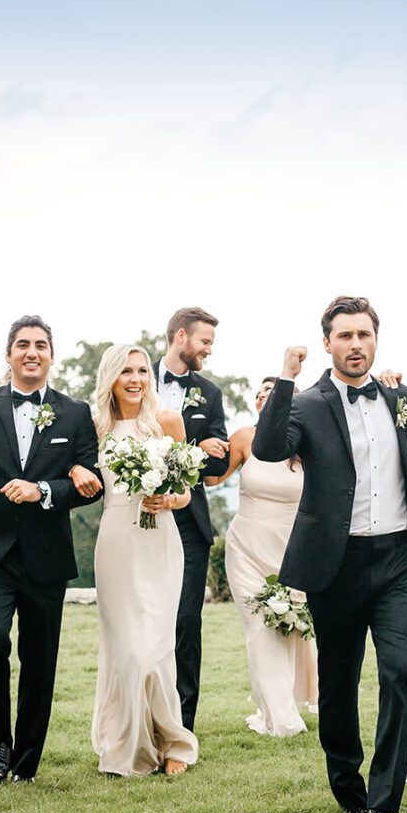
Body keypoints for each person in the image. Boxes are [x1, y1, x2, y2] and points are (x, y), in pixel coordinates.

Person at [252, 297, 407, 813]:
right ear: (327, 342)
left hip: (401, 558)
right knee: (338, 681)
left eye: (364, 335)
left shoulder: (401, 398)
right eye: (345, 336)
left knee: (400, 671)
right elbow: (265, 448)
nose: (356, 344)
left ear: (376, 340)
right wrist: (286, 378)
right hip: (338, 562)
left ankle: (384, 800)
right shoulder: (306, 404)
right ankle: (346, 783)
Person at [0, 315, 102, 784]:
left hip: (45, 557)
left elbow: (90, 485)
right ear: (8, 354)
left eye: (40, 345)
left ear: (52, 356)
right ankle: (0, 742)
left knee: (40, 660)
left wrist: (44, 491)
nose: (31, 352)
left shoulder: (75, 413)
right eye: (22, 345)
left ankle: (27, 760)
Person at [87, 344, 197, 776]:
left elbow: (187, 490)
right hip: (116, 541)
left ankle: (174, 741)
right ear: (110, 378)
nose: (136, 379)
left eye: (142, 371)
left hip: (160, 541)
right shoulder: (96, 426)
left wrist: (170, 497)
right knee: (126, 652)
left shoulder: (166, 421)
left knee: (155, 651)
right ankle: (128, 742)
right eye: (126, 372)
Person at [204, 376, 317, 738]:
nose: (266, 398)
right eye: (260, 395)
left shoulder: (309, 443)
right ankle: (282, 718)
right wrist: (197, 448)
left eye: (275, 393)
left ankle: (282, 705)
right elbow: (211, 480)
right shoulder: (244, 438)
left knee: (292, 630)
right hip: (247, 548)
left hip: (293, 550)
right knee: (259, 628)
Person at [153, 307, 231, 732]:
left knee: (186, 622)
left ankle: (182, 725)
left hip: (188, 519)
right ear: (180, 337)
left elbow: (216, 469)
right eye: (205, 342)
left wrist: (201, 453)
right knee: (145, 619)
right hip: (138, 517)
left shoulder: (210, 394)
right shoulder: (134, 378)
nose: (208, 351)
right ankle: (143, 715)